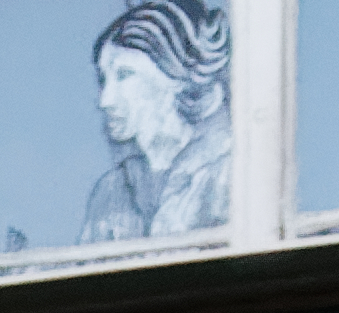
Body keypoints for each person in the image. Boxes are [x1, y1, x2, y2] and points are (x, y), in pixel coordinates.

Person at [80, 0, 235, 244]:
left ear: (174, 77)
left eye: (124, 75)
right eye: (104, 79)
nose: (106, 100)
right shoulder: (110, 192)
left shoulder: (230, 173)